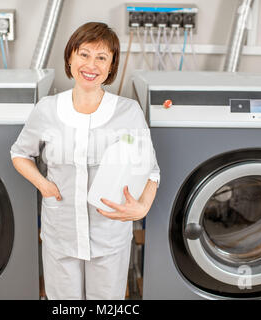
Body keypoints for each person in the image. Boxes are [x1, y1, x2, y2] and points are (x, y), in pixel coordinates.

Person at [10, 22, 160, 300]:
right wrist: (43, 184)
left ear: (111, 66)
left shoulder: (129, 112)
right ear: (70, 58)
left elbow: (150, 170)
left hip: (109, 236)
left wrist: (141, 209)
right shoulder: (47, 109)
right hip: (60, 234)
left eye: (102, 57)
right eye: (84, 54)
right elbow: (20, 153)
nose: (91, 65)